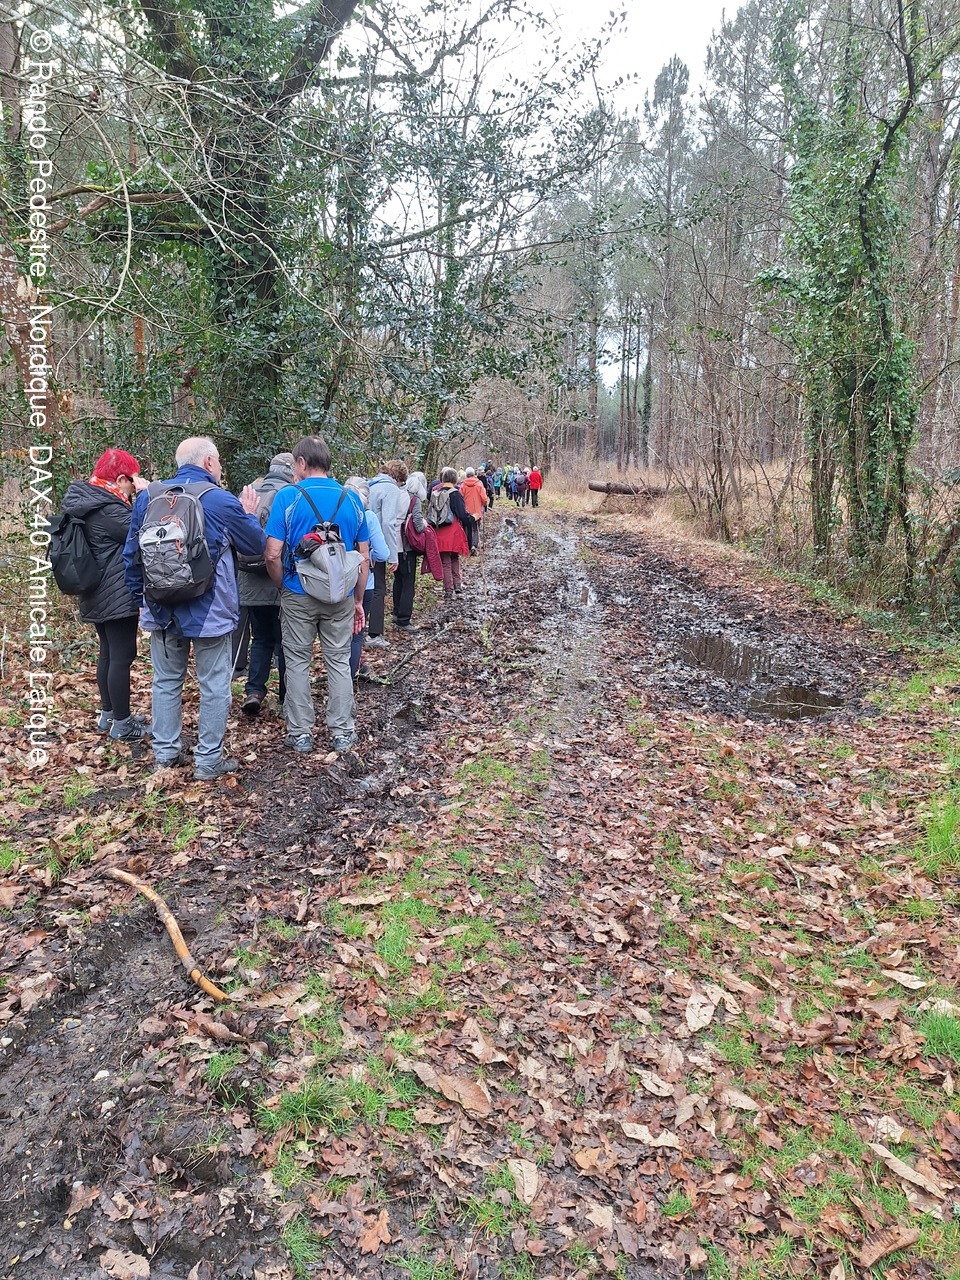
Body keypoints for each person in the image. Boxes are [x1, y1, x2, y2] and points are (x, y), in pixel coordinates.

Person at [123, 436, 266, 779]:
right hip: (209, 608)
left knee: (165, 681)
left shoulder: (148, 497)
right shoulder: (220, 499)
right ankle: (208, 760)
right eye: (218, 462)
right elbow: (256, 545)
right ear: (208, 463)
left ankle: (165, 754)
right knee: (214, 684)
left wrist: (140, 600)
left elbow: (131, 555)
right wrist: (248, 514)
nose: (220, 468)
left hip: (160, 606)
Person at [264, 436, 370, 754]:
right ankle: (342, 731)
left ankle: (300, 733)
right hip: (340, 594)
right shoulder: (352, 499)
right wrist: (358, 599)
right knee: (338, 659)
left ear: (301, 463)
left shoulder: (288, 496)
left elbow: (272, 553)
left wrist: (283, 585)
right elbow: (364, 556)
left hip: (298, 591)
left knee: (297, 661)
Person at [61, 448, 150, 742]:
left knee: (109, 653)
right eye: (133, 480)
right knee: (122, 656)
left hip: (94, 589)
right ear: (122, 479)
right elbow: (142, 532)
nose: (134, 486)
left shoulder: (89, 501)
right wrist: (146, 496)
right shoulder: (110, 508)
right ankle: (122, 723)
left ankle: (110, 714)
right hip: (116, 591)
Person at [237, 452, 295, 716]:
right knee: (285, 643)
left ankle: (254, 692)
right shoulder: (291, 495)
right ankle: (286, 699)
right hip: (281, 580)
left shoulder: (248, 492)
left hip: (250, 581)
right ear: (291, 471)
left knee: (260, 638)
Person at [343, 476, 390, 680]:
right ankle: (349, 677)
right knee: (357, 633)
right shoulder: (368, 517)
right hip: (364, 582)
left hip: (337, 582)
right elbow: (383, 553)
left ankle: (339, 675)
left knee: (337, 634)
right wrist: (369, 557)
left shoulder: (336, 514)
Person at [428, 467, 473, 604]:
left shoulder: (435, 493)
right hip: (452, 531)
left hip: (439, 530)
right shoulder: (455, 494)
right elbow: (462, 514)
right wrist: (473, 518)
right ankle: (456, 585)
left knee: (445, 561)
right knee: (454, 558)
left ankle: (448, 590)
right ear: (455, 479)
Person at [393, 470, 428, 632]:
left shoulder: (396, 495)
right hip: (407, 546)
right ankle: (404, 620)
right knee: (408, 583)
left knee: (398, 580)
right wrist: (425, 526)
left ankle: (396, 613)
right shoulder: (414, 500)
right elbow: (419, 526)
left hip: (394, 545)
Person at [459, 466, 489, 556]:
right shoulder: (479, 484)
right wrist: (484, 503)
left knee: (467, 528)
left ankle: (468, 546)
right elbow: (484, 498)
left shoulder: (463, 485)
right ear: (474, 474)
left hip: (466, 512)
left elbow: (460, 498)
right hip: (476, 511)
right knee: (475, 529)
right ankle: (474, 546)